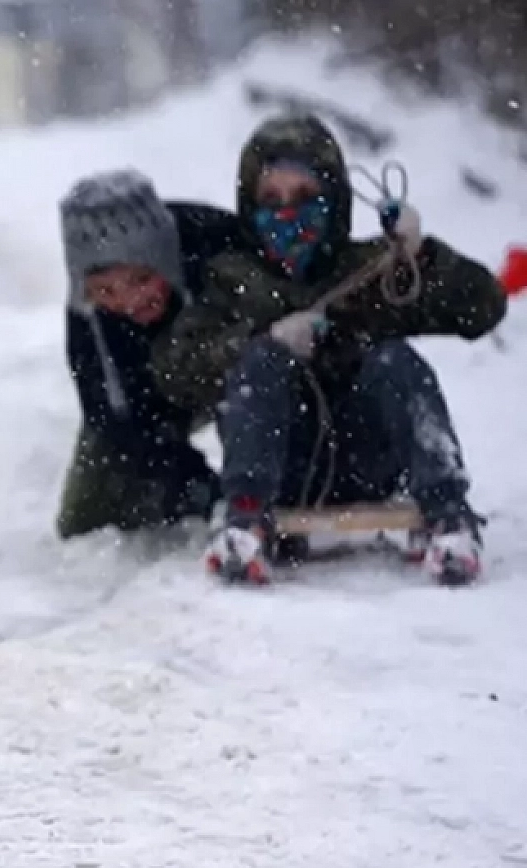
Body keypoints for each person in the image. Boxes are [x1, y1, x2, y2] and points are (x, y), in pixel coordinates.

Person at [150, 114, 505, 585]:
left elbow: (482, 307)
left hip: (365, 456)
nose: (287, 214)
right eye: (271, 201)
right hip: (279, 465)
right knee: (260, 363)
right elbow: (175, 370)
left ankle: (448, 513)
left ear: (333, 201)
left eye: (304, 199)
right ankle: (245, 523)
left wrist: (422, 258)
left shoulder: (370, 269)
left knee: (395, 359)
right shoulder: (231, 280)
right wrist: (262, 342)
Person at [55, 170, 250, 539]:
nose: (128, 303)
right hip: (158, 395)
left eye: (141, 281)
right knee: (84, 520)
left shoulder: (222, 249)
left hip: (237, 373)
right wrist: (195, 485)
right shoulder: (88, 320)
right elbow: (113, 419)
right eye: (105, 291)